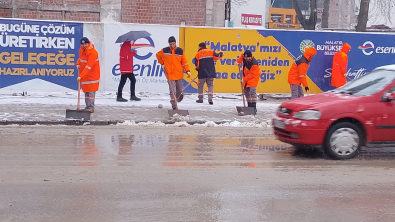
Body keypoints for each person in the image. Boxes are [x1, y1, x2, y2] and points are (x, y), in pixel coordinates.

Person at [156, 36, 191, 110]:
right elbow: (157, 55)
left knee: (179, 90)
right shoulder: (165, 50)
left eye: (173, 44)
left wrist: (187, 71)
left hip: (178, 74)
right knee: (172, 91)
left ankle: (177, 98)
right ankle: (174, 105)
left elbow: (184, 62)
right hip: (169, 74)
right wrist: (162, 64)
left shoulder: (180, 51)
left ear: (175, 43)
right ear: (169, 44)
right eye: (171, 44)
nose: (172, 45)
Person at [76, 37, 100, 113]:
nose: (84, 45)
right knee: (86, 92)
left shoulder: (92, 52)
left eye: (85, 44)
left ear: (88, 43)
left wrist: (81, 75)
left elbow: (88, 66)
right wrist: (78, 64)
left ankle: (91, 107)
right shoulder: (81, 50)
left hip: (92, 76)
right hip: (85, 76)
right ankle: (87, 106)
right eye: (82, 44)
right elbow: (80, 59)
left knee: (91, 92)